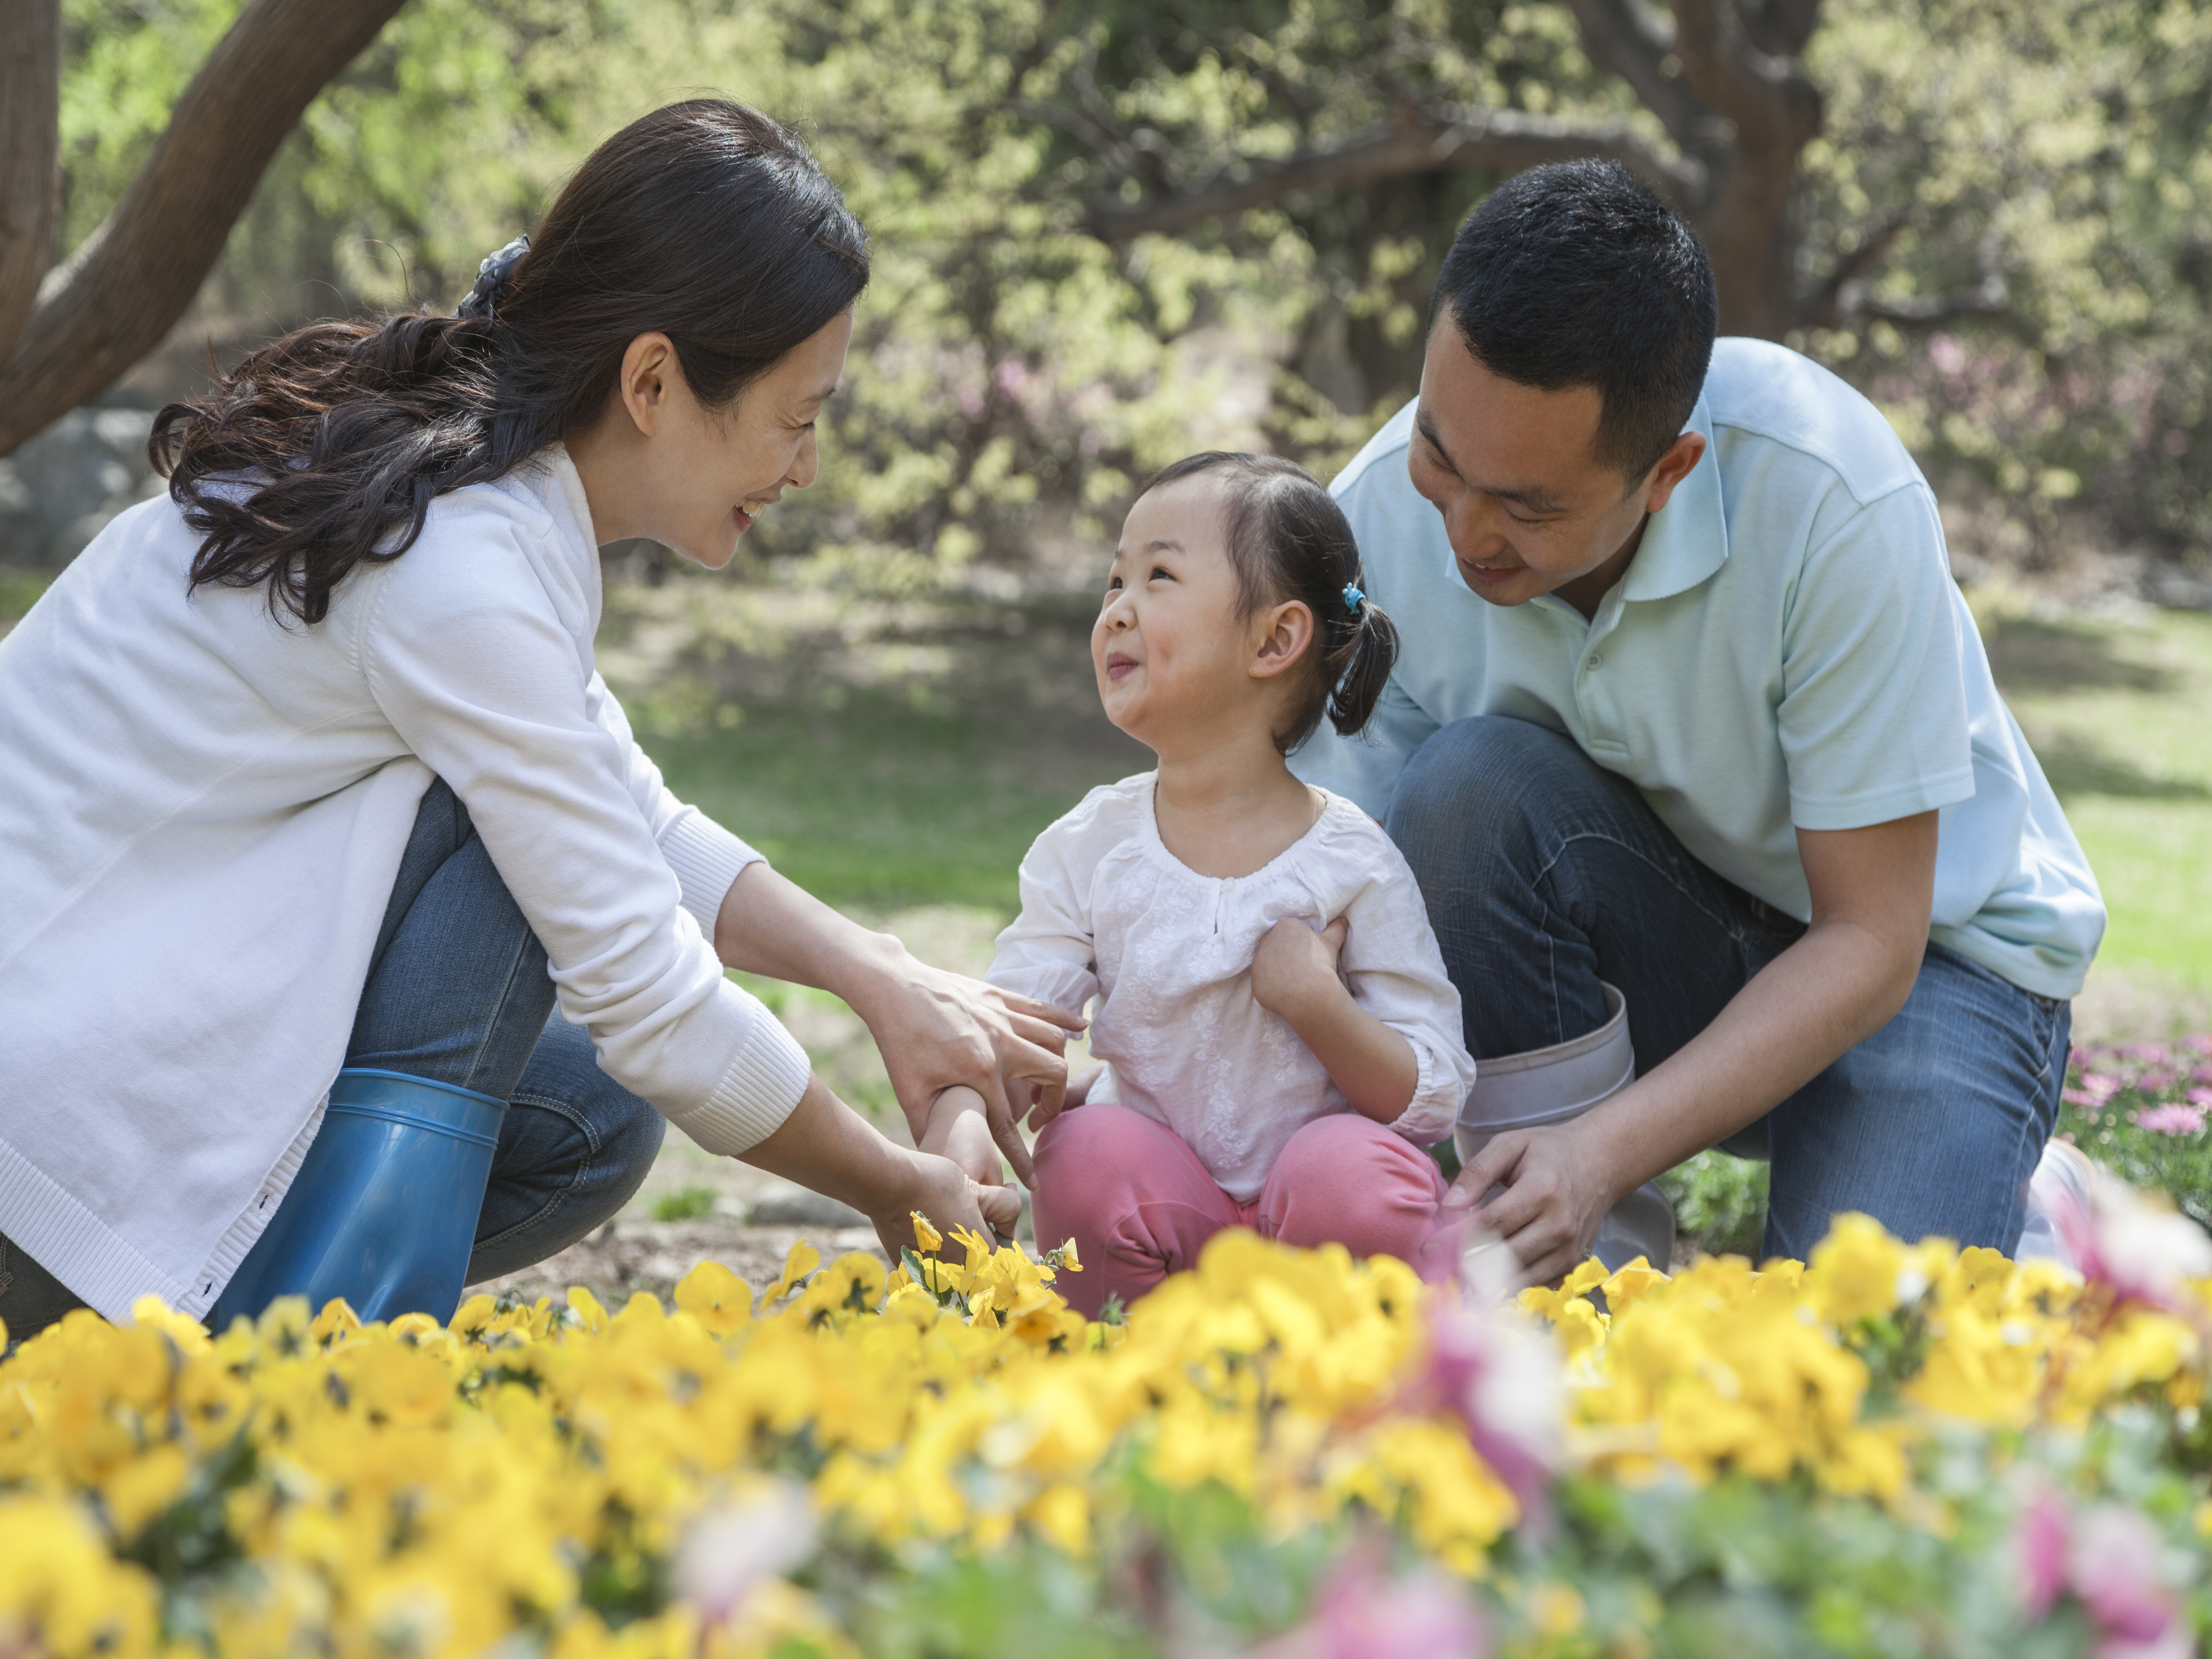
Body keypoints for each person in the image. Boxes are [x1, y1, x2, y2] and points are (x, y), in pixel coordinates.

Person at [0, 101, 1073, 1343]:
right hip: (47, 1153)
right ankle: (290, 1365)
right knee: (531, 874)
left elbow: (626, 807)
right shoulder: (461, 568)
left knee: (588, 1118)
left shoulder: (449, 494)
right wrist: (901, 1189)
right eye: (799, 414)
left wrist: (876, 978)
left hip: (90, 1033)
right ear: (656, 381)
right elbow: (648, 994)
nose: (806, 466)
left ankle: (250, 1317)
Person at [1293, 160, 2105, 1285]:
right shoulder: (1374, 516)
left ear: (1668, 469)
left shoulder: (1830, 494)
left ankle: (2037, 1210)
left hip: (1928, 968)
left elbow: (1872, 939)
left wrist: (1600, 1151)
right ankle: (1584, 1288)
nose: (1463, 531)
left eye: (1528, 505)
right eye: (1443, 453)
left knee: (1850, 1370)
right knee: (1464, 791)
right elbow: (1321, 886)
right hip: (1670, 944)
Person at [925, 453, 1479, 1318]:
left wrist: (1316, 1004)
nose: (1117, 608)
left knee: (1357, 1178)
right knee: (1083, 1155)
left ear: (1274, 640)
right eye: (1114, 580)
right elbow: (1010, 1026)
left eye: (1158, 575)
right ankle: (1145, 1352)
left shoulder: (1352, 862)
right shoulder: (1092, 848)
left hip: (1320, 1233)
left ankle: (1344, 1354)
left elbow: (1431, 1096)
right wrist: (968, 1112)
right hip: (1161, 1217)